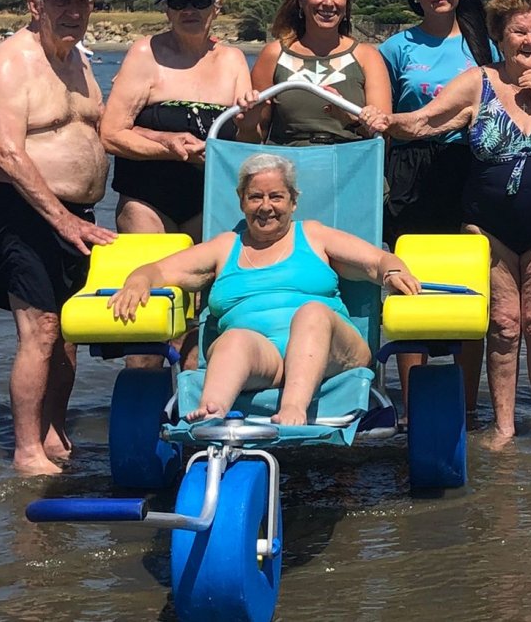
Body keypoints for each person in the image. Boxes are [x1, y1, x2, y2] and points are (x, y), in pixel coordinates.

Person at [360, 0, 531, 457]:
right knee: (504, 325)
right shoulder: (479, 81)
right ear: (500, 35)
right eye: (519, 32)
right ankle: (505, 427)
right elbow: (426, 121)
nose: (530, 41)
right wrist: (386, 121)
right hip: (486, 224)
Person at [109, 155, 416, 424]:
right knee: (233, 339)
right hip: (260, 358)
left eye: (276, 197)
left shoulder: (313, 235)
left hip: (331, 351)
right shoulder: (225, 246)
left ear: (293, 201)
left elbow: (377, 261)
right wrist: (139, 280)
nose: (266, 206)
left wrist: (392, 272)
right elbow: (160, 269)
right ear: (241, 200)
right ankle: (211, 412)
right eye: (255, 197)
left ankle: (294, 407)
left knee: (311, 313)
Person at [0, 0, 117, 476]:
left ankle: (54, 430)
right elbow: (8, 153)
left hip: (77, 215)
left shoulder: (78, 61)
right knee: (39, 329)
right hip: (25, 210)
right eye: (62, 2)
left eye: (82, 2)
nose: (74, 12)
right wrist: (61, 220)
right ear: (35, 5)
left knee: (70, 331)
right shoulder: (11, 63)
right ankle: (26, 449)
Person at [100, 0, 253, 368]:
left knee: (203, 318)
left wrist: (260, 111)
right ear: (166, 9)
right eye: (179, 2)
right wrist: (169, 145)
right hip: (148, 201)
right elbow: (111, 133)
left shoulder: (234, 59)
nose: (190, 10)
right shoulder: (144, 53)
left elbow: (249, 136)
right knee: (148, 315)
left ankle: (192, 411)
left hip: (209, 201)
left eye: (199, 1)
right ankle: (142, 410)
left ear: (216, 8)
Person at [378, 0, 495, 421]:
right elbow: (382, 121)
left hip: (473, 167)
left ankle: (466, 407)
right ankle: (414, 410)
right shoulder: (396, 48)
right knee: (413, 289)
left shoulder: (482, 42)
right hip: (412, 173)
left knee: (470, 286)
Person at [249, 0, 390, 145]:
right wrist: (245, 127)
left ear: (347, 2)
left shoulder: (367, 56)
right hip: (288, 168)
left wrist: (350, 117)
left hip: (349, 166)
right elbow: (255, 136)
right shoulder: (274, 55)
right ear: (300, 0)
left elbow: (384, 137)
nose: (328, 2)